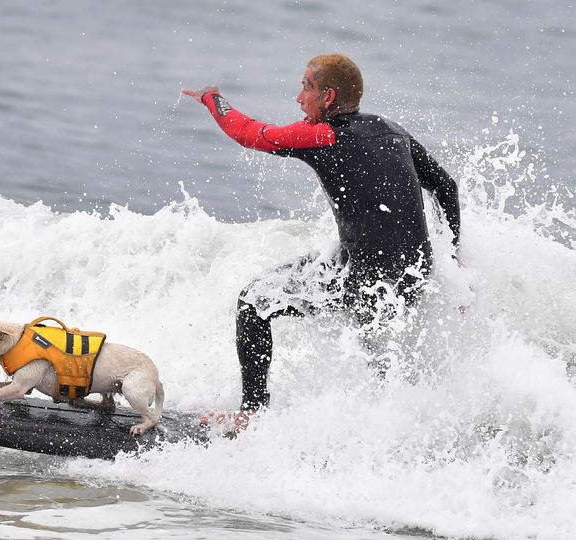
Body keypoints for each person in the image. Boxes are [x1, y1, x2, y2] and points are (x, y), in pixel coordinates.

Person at [183, 53, 461, 413]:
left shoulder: (322, 136)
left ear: (328, 98)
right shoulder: (392, 130)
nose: (299, 98)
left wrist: (211, 97)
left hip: (365, 277)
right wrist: (453, 262)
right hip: (416, 275)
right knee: (380, 348)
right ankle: (400, 418)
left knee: (254, 304)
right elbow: (447, 188)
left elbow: (248, 133)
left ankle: (251, 415)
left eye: (306, 88)